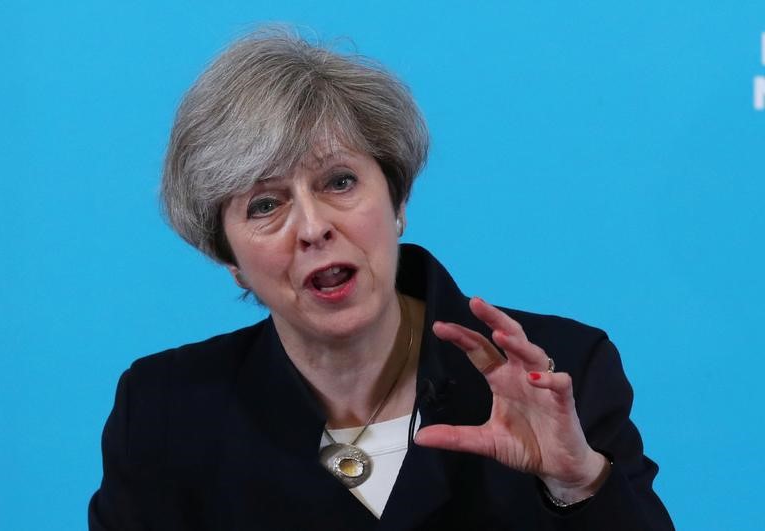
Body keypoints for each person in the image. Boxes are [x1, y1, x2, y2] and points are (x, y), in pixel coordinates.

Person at [89, 28, 674, 530]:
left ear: (396, 201)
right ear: (229, 258)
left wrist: (578, 483)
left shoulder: (560, 369)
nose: (313, 227)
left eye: (339, 182)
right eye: (265, 205)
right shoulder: (167, 412)